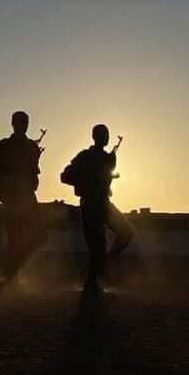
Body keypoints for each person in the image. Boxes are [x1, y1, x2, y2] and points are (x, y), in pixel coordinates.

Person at [61, 125, 135, 292]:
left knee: (126, 233)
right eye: (103, 135)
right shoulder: (84, 157)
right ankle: (92, 284)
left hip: (103, 203)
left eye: (106, 135)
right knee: (97, 247)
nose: (105, 138)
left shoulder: (107, 158)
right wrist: (87, 181)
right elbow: (65, 176)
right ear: (95, 137)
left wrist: (108, 172)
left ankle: (102, 266)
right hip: (90, 204)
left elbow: (106, 177)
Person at [0, 111, 45, 278]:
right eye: (20, 122)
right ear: (13, 124)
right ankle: (12, 273)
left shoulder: (31, 147)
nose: (23, 125)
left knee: (40, 234)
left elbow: (34, 171)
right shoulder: (4, 145)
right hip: (11, 197)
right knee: (15, 236)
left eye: (25, 122)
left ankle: (13, 264)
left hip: (27, 196)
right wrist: (0, 185)